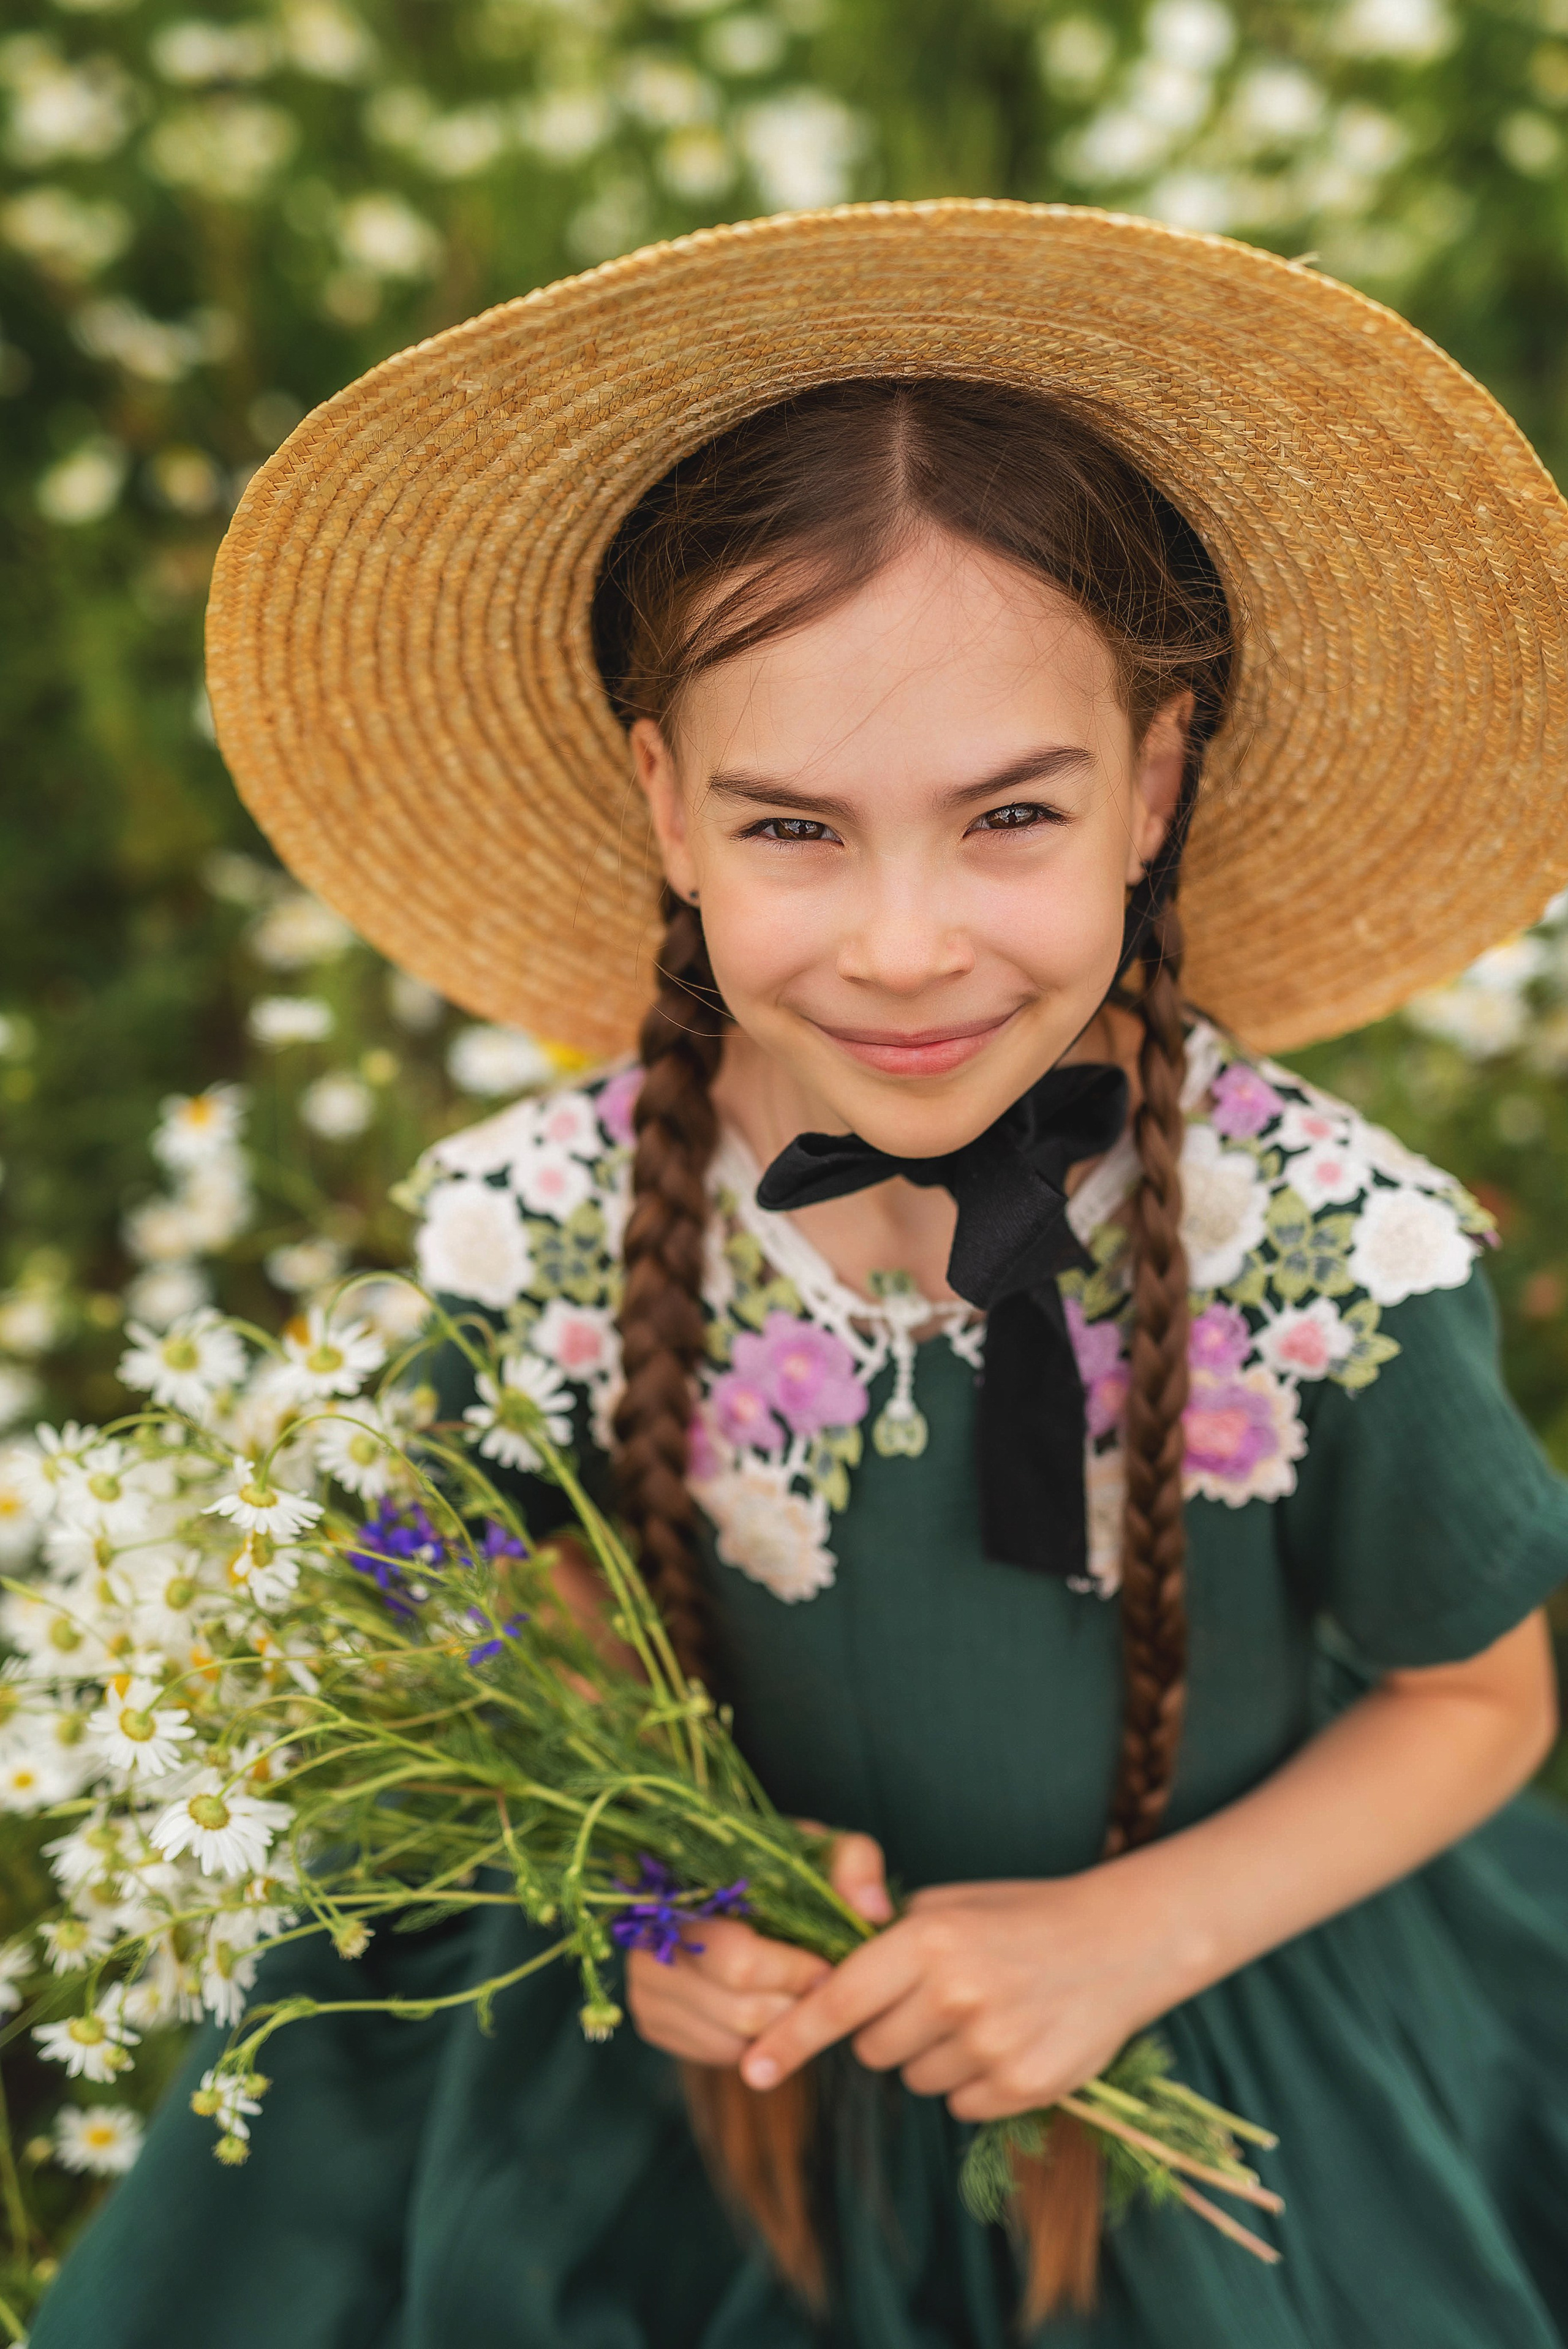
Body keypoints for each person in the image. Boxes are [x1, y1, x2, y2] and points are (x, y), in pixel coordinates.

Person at [33, 203, 1568, 2349]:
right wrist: (641, 1891)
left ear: (1158, 779)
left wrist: (1127, 1942)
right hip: (691, 2093)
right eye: (794, 829)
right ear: (664, 805)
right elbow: (515, 1599)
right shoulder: (543, 1223)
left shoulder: (1328, 1261)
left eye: (1010, 818)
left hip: (1222, 2023)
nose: (907, 942)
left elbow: (1479, 1696)